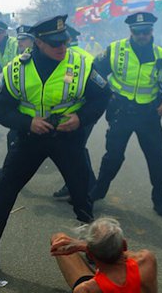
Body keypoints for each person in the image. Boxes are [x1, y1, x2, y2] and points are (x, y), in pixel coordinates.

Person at [0, 15, 111, 275]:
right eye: (55, 43)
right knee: (3, 194)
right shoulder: (17, 68)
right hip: (30, 140)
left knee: (82, 200)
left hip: (67, 139)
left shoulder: (81, 63)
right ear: (38, 43)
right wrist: (27, 122)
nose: (62, 46)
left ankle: (97, 255)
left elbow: (102, 95)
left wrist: (81, 119)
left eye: (64, 41)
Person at [89, 12, 162, 217]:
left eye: (146, 31)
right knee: (113, 157)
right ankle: (98, 192)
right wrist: (105, 92)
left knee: (157, 159)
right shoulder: (116, 50)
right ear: (130, 31)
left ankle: (160, 199)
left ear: (152, 31)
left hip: (149, 115)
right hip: (121, 112)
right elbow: (95, 71)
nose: (142, 35)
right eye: (137, 32)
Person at [50, 217, 157, 293]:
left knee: (58, 237)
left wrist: (85, 246)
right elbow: (131, 255)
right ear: (124, 245)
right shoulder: (147, 260)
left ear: (90, 255)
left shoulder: (87, 289)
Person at [53, 25, 98, 201]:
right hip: (87, 112)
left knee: (73, 150)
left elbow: (66, 87)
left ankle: (85, 188)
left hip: (78, 113)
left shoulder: (72, 59)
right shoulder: (86, 55)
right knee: (74, 150)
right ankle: (80, 185)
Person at [0, 24, 35, 178]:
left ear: (33, 41)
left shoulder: (36, 59)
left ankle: (86, 187)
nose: (20, 42)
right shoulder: (20, 60)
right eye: (19, 39)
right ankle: (10, 171)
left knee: (66, 153)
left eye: (24, 39)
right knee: (14, 137)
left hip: (44, 113)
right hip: (28, 111)